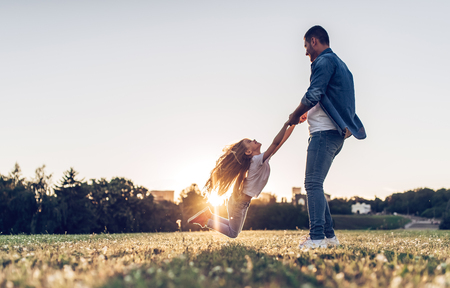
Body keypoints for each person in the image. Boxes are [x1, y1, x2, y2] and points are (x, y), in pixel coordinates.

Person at [288, 25, 366, 249]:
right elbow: (329, 97)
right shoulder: (340, 64)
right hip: (330, 133)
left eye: (305, 46)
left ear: (314, 41)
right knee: (317, 184)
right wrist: (308, 112)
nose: (305, 53)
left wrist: (293, 115)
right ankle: (330, 237)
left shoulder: (323, 62)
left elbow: (314, 93)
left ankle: (316, 238)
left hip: (325, 133)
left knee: (312, 183)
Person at [187, 116, 306, 238]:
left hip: (240, 202)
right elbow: (275, 142)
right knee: (233, 233)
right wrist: (286, 123)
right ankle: (205, 220)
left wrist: (293, 124)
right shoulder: (257, 160)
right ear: (248, 152)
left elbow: (280, 142)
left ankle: (210, 216)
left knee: (234, 230)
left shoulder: (261, 159)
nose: (253, 140)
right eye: (249, 142)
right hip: (239, 203)